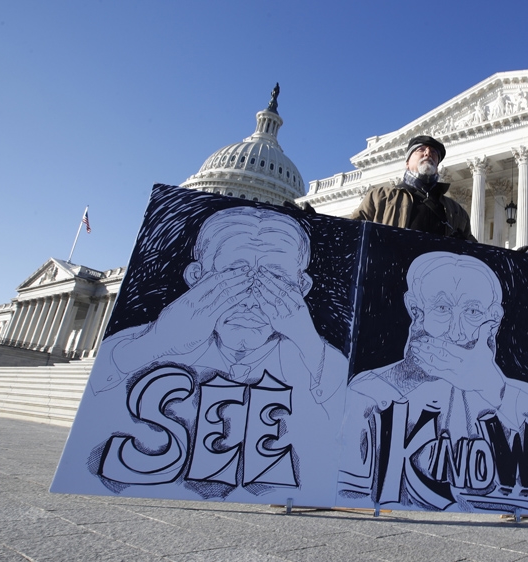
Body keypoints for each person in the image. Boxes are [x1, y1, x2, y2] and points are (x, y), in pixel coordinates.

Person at [74, 206, 347, 505]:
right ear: (197, 276)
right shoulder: (141, 345)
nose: (251, 299)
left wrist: (308, 343)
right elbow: (97, 395)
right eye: (234, 275)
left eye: (274, 279)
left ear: (301, 287)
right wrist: (157, 342)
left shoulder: (319, 360)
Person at [339, 251, 528, 510]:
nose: (456, 332)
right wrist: (406, 378)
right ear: (416, 310)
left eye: (472, 311)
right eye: (442, 308)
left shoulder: (514, 397)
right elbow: (348, 494)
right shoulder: (366, 391)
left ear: (493, 319)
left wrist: (492, 387)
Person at [351, 135, 475, 241]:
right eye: (421, 149)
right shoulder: (380, 197)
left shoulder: (456, 211)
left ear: (437, 167)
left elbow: (476, 254)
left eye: (434, 153)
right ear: (407, 163)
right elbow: (350, 232)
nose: (428, 153)